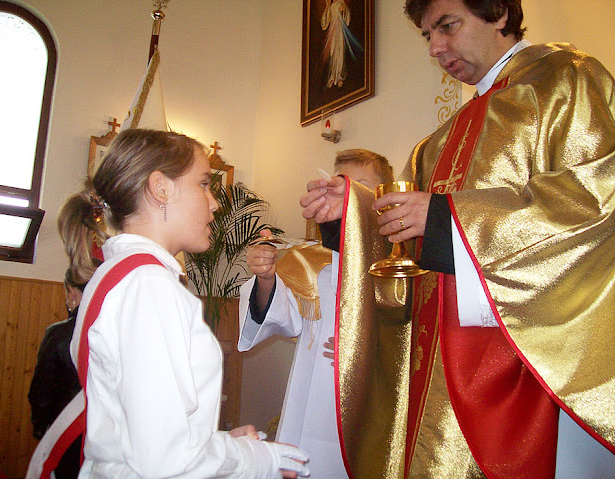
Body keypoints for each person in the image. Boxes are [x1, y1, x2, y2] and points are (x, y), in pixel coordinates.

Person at [301, 0, 615, 477]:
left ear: (499, 14)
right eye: (428, 35)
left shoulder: (565, 78)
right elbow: (408, 248)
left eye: (447, 26)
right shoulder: (435, 143)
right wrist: (353, 215)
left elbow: (596, 200)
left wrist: (447, 219)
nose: (435, 48)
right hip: (436, 364)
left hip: (530, 363)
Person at [36, 129, 310, 478]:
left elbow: (140, 430)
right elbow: (162, 458)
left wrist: (221, 446)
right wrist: (256, 459)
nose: (214, 203)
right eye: (203, 184)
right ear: (161, 188)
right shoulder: (149, 286)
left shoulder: (120, 275)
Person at [238, 149, 393, 478]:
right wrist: (266, 278)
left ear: (384, 195)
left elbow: (413, 332)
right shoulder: (311, 259)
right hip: (312, 392)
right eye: (341, 185)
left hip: (372, 394)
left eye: (361, 187)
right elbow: (283, 318)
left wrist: (368, 350)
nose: (350, 196)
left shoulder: (399, 259)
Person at [28, 267, 86, 479]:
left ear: (71, 291)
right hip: (106, 441)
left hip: (63, 436)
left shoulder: (58, 334)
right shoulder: (116, 332)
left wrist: (42, 430)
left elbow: (40, 393)